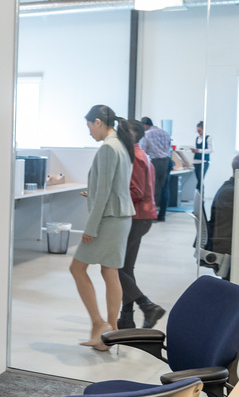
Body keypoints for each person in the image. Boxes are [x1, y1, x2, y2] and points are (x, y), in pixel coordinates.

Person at [69, 105, 135, 351]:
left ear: (98, 122)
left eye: (89, 126)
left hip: (108, 219)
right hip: (119, 216)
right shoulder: (120, 145)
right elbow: (111, 187)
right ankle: (111, 332)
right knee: (110, 272)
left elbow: (105, 191)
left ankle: (99, 325)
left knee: (77, 268)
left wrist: (91, 227)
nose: (89, 133)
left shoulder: (108, 147)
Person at [117, 120, 166, 329]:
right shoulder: (141, 154)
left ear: (132, 134)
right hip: (141, 217)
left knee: (114, 267)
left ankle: (147, 305)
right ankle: (127, 317)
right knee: (126, 268)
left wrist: (110, 194)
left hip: (138, 217)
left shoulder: (135, 157)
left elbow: (136, 192)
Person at [138, 116, 173, 222]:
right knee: (165, 189)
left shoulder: (146, 134)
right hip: (167, 161)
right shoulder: (165, 133)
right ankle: (162, 215)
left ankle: (152, 215)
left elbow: (142, 150)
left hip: (156, 162)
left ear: (145, 125)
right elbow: (169, 148)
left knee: (154, 189)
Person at [191, 121, 211, 187]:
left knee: (200, 180)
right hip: (196, 161)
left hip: (204, 161)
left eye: (200, 131)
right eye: (197, 131)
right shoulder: (197, 138)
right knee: (198, 180)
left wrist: (199, 150)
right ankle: (199, 195)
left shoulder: (208, 138)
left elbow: (211, 150)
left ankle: (201, 196)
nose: (199, 132)